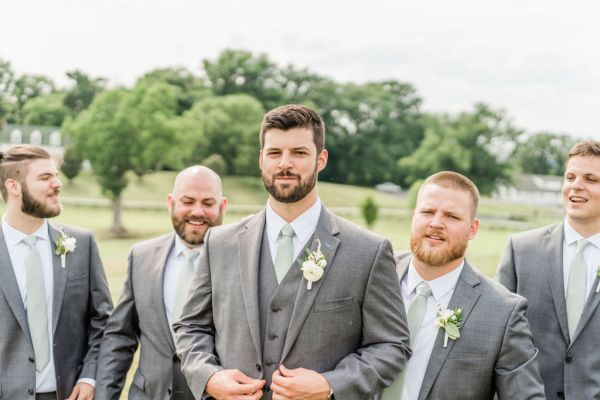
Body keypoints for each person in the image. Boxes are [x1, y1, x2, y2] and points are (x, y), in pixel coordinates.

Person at [174, 104, 411, 400]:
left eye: (299, 153)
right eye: (275, 153)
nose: (285, 164)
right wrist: (210, 377)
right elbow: (190, 327)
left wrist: (331, 384)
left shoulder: (368, 251)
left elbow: (392, 345)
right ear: (261, 159)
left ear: (320, 159)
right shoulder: (219, 243)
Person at [382, 171, 545, 400]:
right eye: (427, 212)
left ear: (473, 229)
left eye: (452, 216)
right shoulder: (373, 274)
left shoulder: (503, 312)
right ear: (413, 216)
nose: (436, 223)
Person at [95, 166, 227, 399]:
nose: (198, 211)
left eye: (208, 203)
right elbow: (120, 337)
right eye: (188, 201)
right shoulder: (141, 255)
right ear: (171, 202)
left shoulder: (237, 258)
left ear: (222, 206)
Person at [0, 145, 113, 400]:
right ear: (13, 186)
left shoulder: (81, 244)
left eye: (56, 175)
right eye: (45, 177)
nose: (57, 183)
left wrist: (90, 376)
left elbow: (103, 322)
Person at [497, 140, 600, 399]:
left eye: (591, 179)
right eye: (570, 176)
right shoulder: (521, 249)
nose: (576, 185)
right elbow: (496, 339)